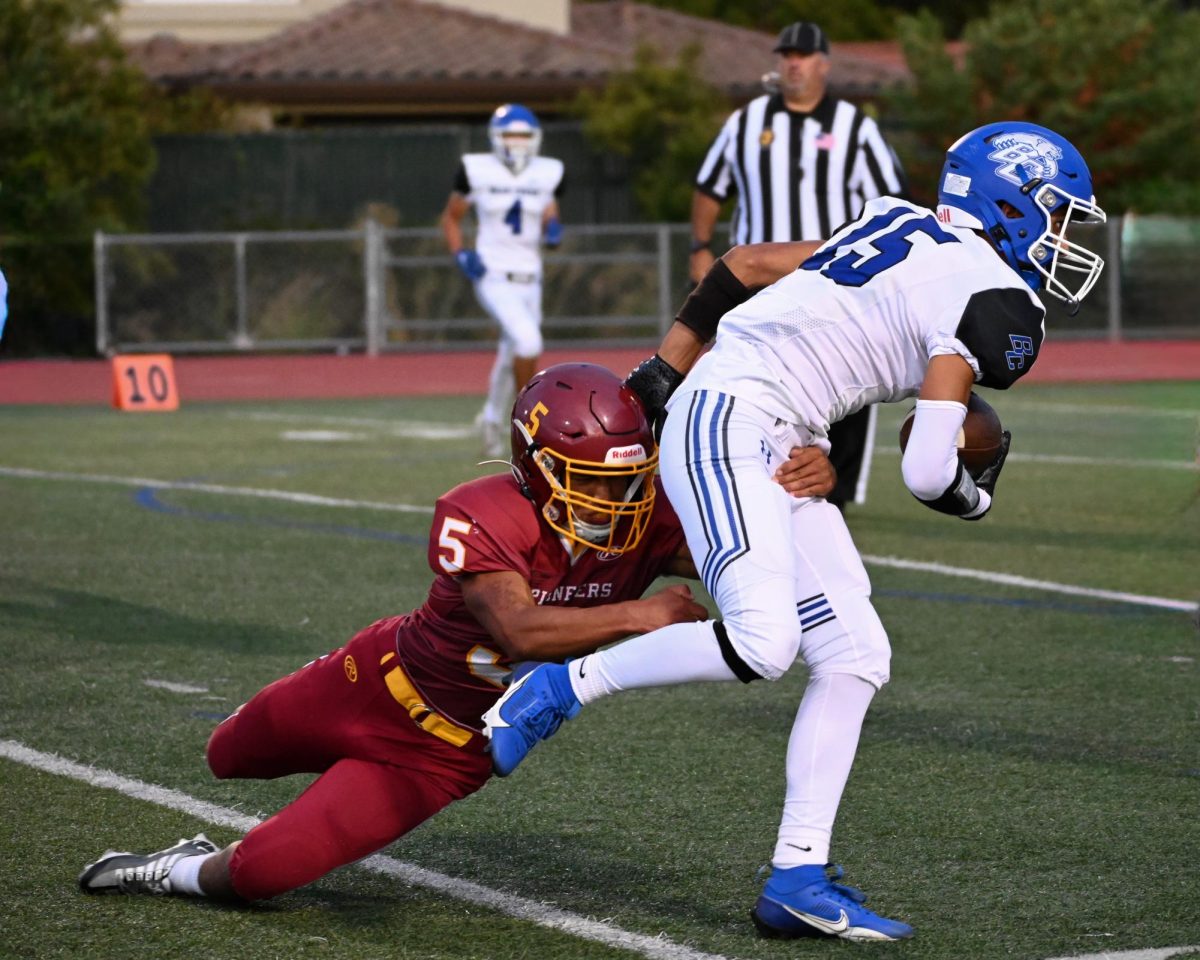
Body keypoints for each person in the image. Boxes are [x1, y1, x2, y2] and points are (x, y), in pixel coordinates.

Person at [484, 121, 1107, 942]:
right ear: (1013, 206)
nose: (1067, 237)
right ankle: (557, 688)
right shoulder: (997, 299)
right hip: (739, 421)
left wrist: (665, 366)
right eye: (1059, 214)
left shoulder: (896, 220)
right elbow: (925, 469)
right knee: (763, 642)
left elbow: (741, 265)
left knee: (855, 656)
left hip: (765, 429)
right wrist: (974, 498)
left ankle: (798, 876)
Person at [78, 362, 836, 903]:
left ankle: (176, 870)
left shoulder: (654, 518)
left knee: (260, 874)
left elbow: (751, 541)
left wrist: (798, 483)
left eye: (628, 478)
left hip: (443, 754)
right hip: (371, 681)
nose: (618, 497)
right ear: (538, 468)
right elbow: (519, 628)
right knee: (223, 757)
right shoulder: (483, 508)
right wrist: (644, 612)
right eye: (596, 479)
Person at [690, 20, 909, 511]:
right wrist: (699, 247)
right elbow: (709, 187)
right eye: (786, 53)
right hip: (756, 282)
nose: (793, 62)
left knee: (846, 383)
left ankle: (837, 496)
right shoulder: (745, 123)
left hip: (830, 281)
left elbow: (893, 201)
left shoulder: (856, 127)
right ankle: (745, 479)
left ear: (824, 64)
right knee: (749, 378)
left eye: (804, 54)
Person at [440, 103, 565, 457]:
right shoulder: (476, 170)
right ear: (496, 138)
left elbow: (546, 204)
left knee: (511, 348)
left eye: (523, 135)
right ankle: (525, 423)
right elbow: (451, 218)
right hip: (493, 273)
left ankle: (492, 416)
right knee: (527, 341)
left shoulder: (546, 172)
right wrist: (461, 253)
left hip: (531, 275)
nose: (517, 142)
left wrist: (552, 224)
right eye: (510, 134)